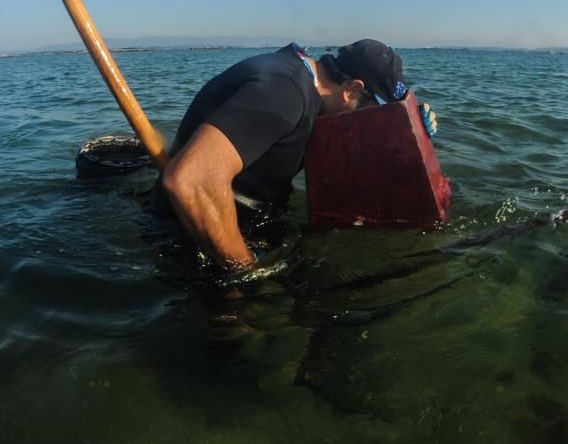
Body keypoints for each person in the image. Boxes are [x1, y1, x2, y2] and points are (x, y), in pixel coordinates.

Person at [155, 39, 430, 274]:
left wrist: (412, 131)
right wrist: (245, 274)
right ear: (353, 90)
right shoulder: (283, 93)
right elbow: (191, 180)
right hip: (192, 242)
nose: (372, 124)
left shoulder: (302, 82)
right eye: (374, 113)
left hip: (253, 223)